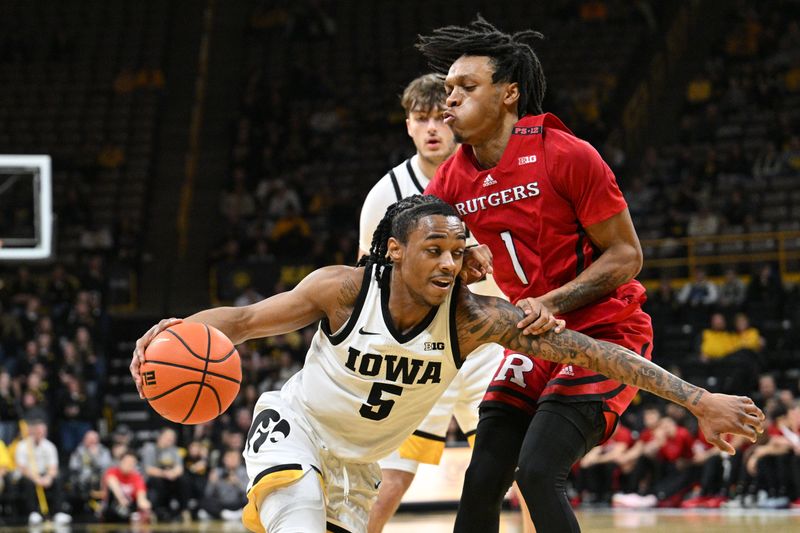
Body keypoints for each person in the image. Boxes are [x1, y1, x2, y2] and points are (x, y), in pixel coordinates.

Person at [129, 196, 763, 533]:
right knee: (294, 519)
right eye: (433, 250)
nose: (446, 265)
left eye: (457, 253)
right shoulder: (342, 290)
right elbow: (239, 323)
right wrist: (172, 334)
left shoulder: (474, 318)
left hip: (359, 465)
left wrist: (695, 398)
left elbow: (597, 354)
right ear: (395, 249)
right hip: (296, 427)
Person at [413, 17, 710, 532]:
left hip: (607, 330)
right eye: (448, 89)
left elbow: (625, 256)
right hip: (531, 338)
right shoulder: (451, 177)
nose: (450, 101)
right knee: (482, 475)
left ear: (509, 94)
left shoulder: (565, 154)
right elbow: (427, 255)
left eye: (466, 87)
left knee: (538, 471)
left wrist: (553, 302)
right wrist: (462, 256)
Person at [358, 73, 514, 532]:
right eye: (421, 118)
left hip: (486, 343)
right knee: (390, 477)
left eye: (440, 118)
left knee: (522, 468)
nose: (432, 129)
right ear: (408, 125)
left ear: (456, 119)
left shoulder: (491, 175)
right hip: (419, 348)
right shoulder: (385, 194)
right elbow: (369, 279)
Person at [14, 418, 72, 525]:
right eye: (38, 431)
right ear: (32, 431)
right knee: (28, 482)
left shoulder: (49, 446)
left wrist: (48, 478)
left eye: (43, 431)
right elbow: (22, 468)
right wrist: (36, 479)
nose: (41, 433)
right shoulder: (22, 446)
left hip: (44, 475)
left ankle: (58, 512)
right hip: (28, 476)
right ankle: (33, 513)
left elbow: (53, 467)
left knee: (58, 479)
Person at [103, 451, 152, 523]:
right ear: (121, 461)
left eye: (133, 462)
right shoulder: (112, 472)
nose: (130, 464)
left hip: (129, 508)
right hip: (112, 506)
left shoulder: (136, 477)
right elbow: (112, 482)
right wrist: (121, 498)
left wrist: (144, 504)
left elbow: (141, 493)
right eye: (127, 461)